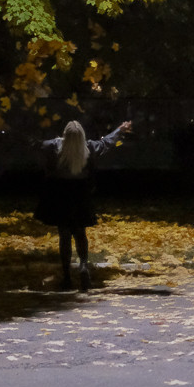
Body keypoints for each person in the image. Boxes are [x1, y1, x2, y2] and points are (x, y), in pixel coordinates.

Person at [34, 118, 132, 291]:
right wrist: (120, 130)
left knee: (64, 236)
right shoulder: (88, 148)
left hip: (61, 194)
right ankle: (84, 266)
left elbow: (35, 145)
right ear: (81, 135)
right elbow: (106, 143)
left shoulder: (54, 146)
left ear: (65, 134)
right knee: (80, 233)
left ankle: (66, 276)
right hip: (80, 194)